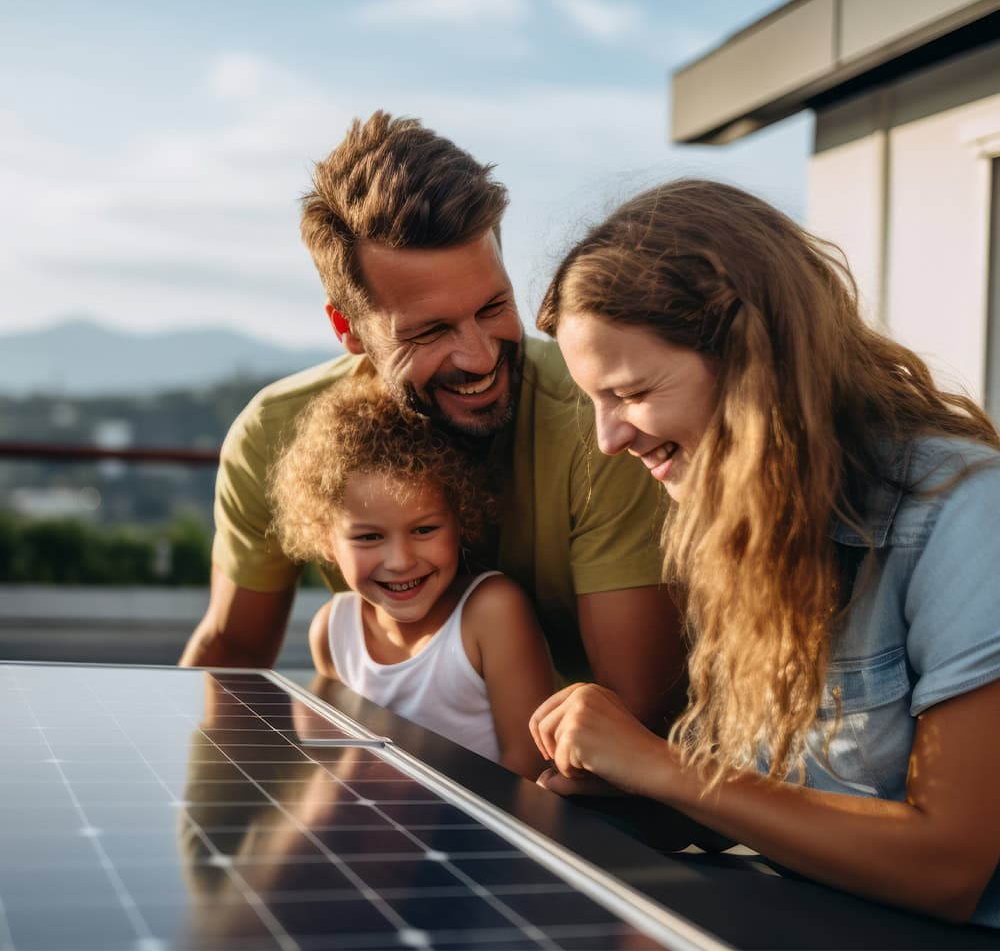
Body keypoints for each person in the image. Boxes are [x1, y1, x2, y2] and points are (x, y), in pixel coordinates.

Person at [529, 179, 1000, 926]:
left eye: (631, 392)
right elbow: (758, 790)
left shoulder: (964, 514)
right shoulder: (744, 525)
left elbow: (951, 865)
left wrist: (666, 769)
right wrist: (649, 799)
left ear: (756, 364)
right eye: (593, 401)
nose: (607, 438)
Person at [180, 111, 685, 732]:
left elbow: (638, 716)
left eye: (494, 307)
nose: (478, 357)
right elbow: (231, 656)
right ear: (347, 329)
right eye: (429, 331)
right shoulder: (274, 435)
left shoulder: (599, 426)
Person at [269, 376, 553, 777]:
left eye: (424, 530)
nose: (400, 561)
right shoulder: (333, 632)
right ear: (326, 539)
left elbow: (531, 769)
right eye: (369, 537)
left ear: (461, 521)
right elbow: (334, 764)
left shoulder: (492, 613)